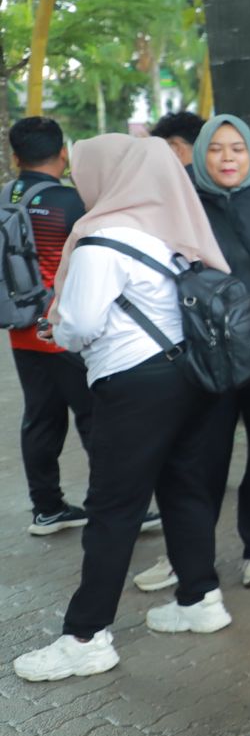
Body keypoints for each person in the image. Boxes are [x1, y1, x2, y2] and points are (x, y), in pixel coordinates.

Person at [12, 136, 237, 683]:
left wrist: (56, 328)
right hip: (190, 378)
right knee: (182, 487)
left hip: (133, 385)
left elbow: (81, 324)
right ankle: (200, 599)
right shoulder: (166, 231)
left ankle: (86, 637)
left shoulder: (100, 241)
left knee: (113, 508)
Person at [130, 114, 250, 593]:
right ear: (200, 154)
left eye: (237, 149)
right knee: (195, 461)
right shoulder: (180, 208)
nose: (227, 158)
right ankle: (184, 557)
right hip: (206, 355)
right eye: (216, 149)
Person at [7, 117, 92, 535]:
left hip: (22, 330)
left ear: (15, 156)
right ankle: (108, 506)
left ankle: (47, 509)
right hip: (64, 331)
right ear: (63, 154)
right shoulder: (71, 202)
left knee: (40, 419)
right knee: (97, 419)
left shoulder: (4, 197)